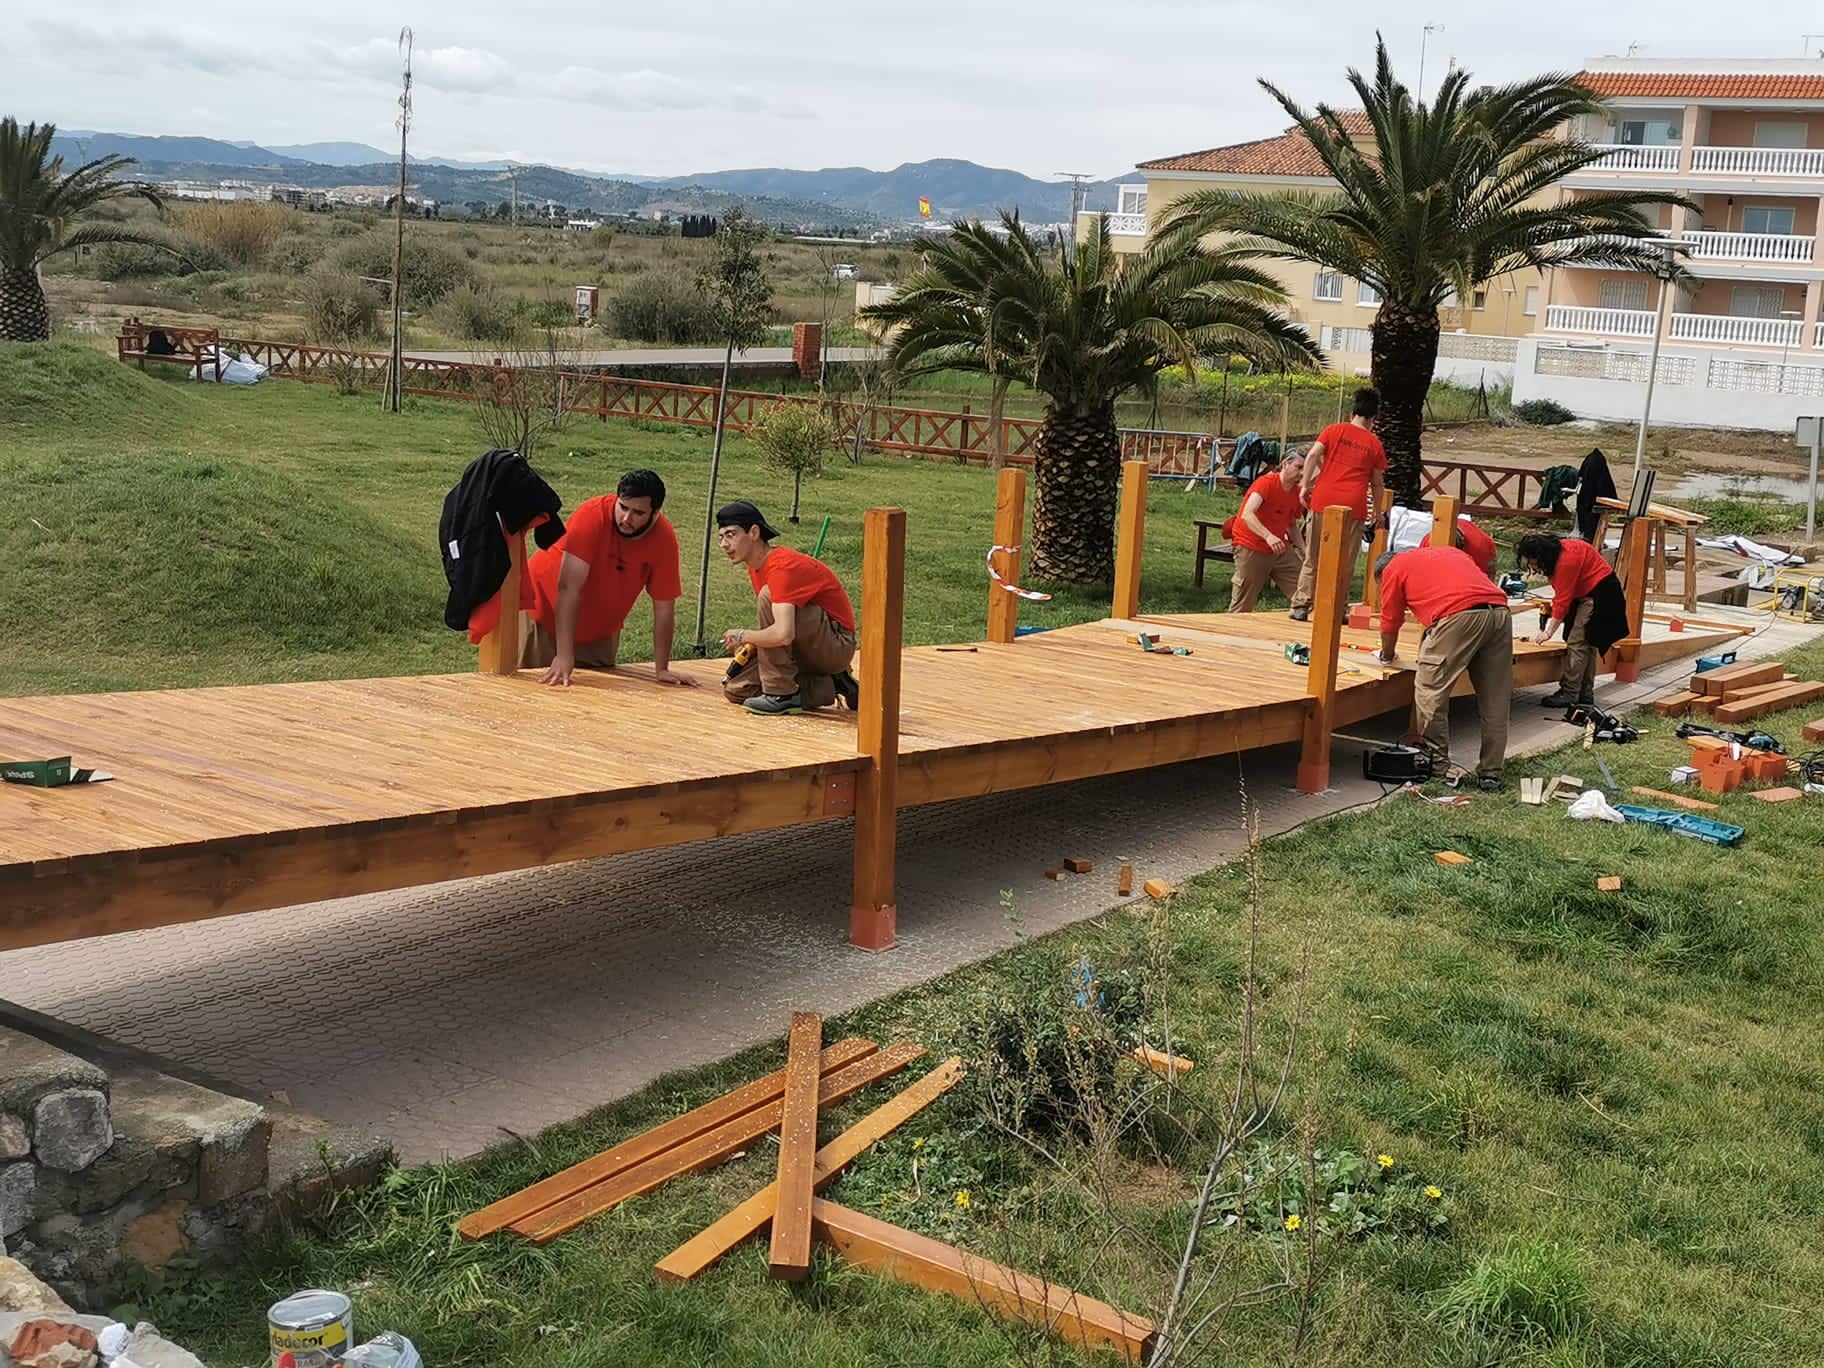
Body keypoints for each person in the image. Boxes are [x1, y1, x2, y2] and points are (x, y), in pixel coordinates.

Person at [523, 469, 694, 689]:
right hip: (544, 612)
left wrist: (662, 669)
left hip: (600, 631)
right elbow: (568, 587)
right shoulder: (592, 515)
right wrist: (564, 655)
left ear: (656, 513)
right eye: (623, 507)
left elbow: (664, 609)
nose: (626, 518)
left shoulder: (664, 540)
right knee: (533, 690)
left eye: (638, 513)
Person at [1373, 545, 1514, 790]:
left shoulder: (1393, 569)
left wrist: (1387, 655)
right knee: (1495, 699)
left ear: (1382, 573)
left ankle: (1436, 763)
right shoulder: (1450, 553)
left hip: (1458, 616)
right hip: (1499, 613)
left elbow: (1390, 621)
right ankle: (1491, 772)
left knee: (1430, 690)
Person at [716, 500, 858, 715]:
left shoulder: (782, 566)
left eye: (730, 535)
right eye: (721, 537)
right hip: (806, 645)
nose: (724, 544)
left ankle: (780, 694)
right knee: (737, 690)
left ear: (754, 532)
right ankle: (832, 684)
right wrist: (754, 644)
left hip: (835, 645)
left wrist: (744, 636)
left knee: (768, 596)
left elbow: (783, 634)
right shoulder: (756, 568)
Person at [1290, 388, 1386, 621]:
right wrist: (1379, 511)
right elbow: (1377, 482)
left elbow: (1312, 455)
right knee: (1345, 561)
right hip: (1353, 506)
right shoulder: (1374, 444)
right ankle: (1338, 609)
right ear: (1373, 418)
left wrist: (1304, 485)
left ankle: (1301, 604)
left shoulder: (1333, 431)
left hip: (1323, 500)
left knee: (1313, 555)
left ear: (1352, 412)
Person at [1516, 531, 1628, 708]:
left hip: (1600, 594)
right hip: (1591, 591)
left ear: (1542, 555)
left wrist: (1548, 632)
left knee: (1577, 642)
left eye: (1532, 560)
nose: (1531, 564)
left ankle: (1569, 692)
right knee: (1586, 643)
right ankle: (1585, 694)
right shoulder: (1559, 553)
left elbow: (1562, 601)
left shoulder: (1565, 562)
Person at [1227, 452, 1307, 612]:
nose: (1302, 473)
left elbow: (1292, 525)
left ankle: (1304, 616)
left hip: (1279, 549)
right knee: (1243, 601)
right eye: (1298, 467)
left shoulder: (1297, 492)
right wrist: (1268, 536)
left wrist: (1305, 551)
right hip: (1251, 545)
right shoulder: (1266, 483)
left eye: (1305, 468)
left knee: (1304, 586)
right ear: (1285, 464)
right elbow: (1247, 514)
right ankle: (1234, 628)